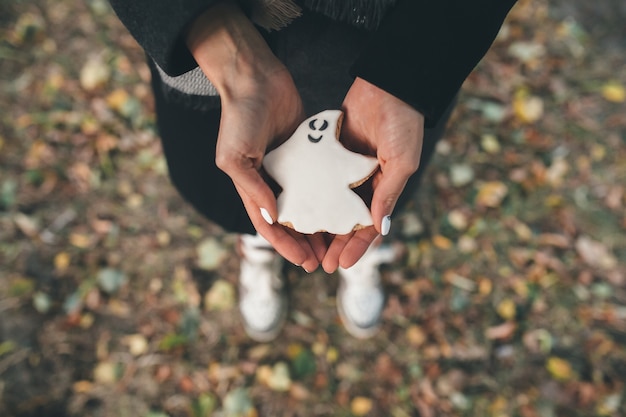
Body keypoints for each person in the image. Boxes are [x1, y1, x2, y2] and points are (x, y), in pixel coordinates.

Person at [108, 0, 517, 341]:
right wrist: (218, 39)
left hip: (390, 23)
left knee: (385, 171)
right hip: (223, 33)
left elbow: (363, 163)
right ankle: (259, 241)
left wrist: (408, 73)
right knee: (247, 179)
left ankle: (361, 247)